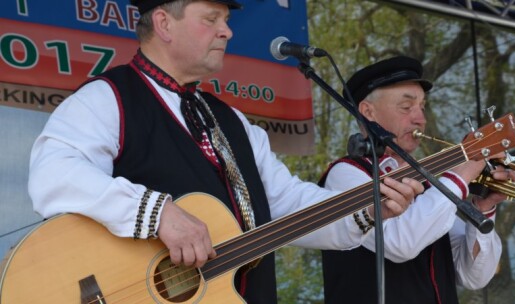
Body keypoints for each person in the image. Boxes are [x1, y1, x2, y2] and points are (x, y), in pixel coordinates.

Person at [27, 1, 425, 303]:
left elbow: (287, 202)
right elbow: (54, 175)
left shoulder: (231, 120)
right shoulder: (107, 97)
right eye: (211, 19)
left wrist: (367, 207)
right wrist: (157, 213)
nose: (227, 32)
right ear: (164, 23)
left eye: (227, 21)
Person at [320, 56, 515, 304]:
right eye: (406, 107)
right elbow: (399, 244)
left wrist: (483, 208)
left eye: (422, 107)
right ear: (368, 111)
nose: (420, 119)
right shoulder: (345, 174)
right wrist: (464, 171)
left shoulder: (428, 185)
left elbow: (474, 277)